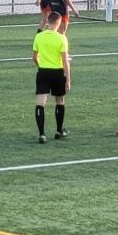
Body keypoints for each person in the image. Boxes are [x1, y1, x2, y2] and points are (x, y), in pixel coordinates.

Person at [32, 11, 71, 143]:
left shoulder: (39, 36)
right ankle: (59, 131)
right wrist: (68, 79)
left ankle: (42, 134)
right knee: (59, 101)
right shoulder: (62, 38)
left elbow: (34, 57)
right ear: (58, 23)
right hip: (58, 73)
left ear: (48, 21)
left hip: (43, 72)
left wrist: (41, 66)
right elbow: (65, 61)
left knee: (40, 104)